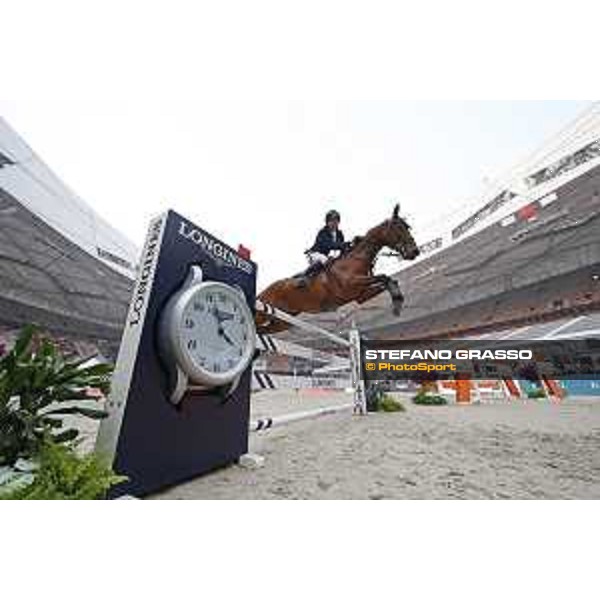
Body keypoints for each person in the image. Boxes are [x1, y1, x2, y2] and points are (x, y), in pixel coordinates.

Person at [297, 209, 346, 286]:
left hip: (326, 255)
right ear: (327, 222)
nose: (334, 223)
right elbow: (328, 245)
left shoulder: (340, 234)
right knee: (324, 259)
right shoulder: (323, 232)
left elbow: (342, 248)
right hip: (315, 253)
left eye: (336, 221)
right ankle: (304, 277)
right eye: (331, 221)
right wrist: (343, 245)